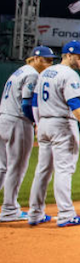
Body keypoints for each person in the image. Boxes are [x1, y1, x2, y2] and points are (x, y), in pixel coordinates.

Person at [28, 40, 80, 227]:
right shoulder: (70, 74)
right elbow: (74, 104)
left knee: (42, 171)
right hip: (62, 125)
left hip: (44, 123)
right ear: (68, 55)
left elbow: (34, 102)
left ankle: (35, 214)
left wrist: (38, 124)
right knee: (64, 170)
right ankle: (67, 214)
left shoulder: (44, 73)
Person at [0, 46, 56, 222]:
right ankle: (9, 209)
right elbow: (26, 104)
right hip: (18, 122)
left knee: (2, 167)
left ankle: (9, 208)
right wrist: (37, 122)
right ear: (37, 59)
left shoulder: (19, 71)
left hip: (3, 119)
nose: (50, 63)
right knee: (16, 167)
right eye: (47, 60)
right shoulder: (32, 74)